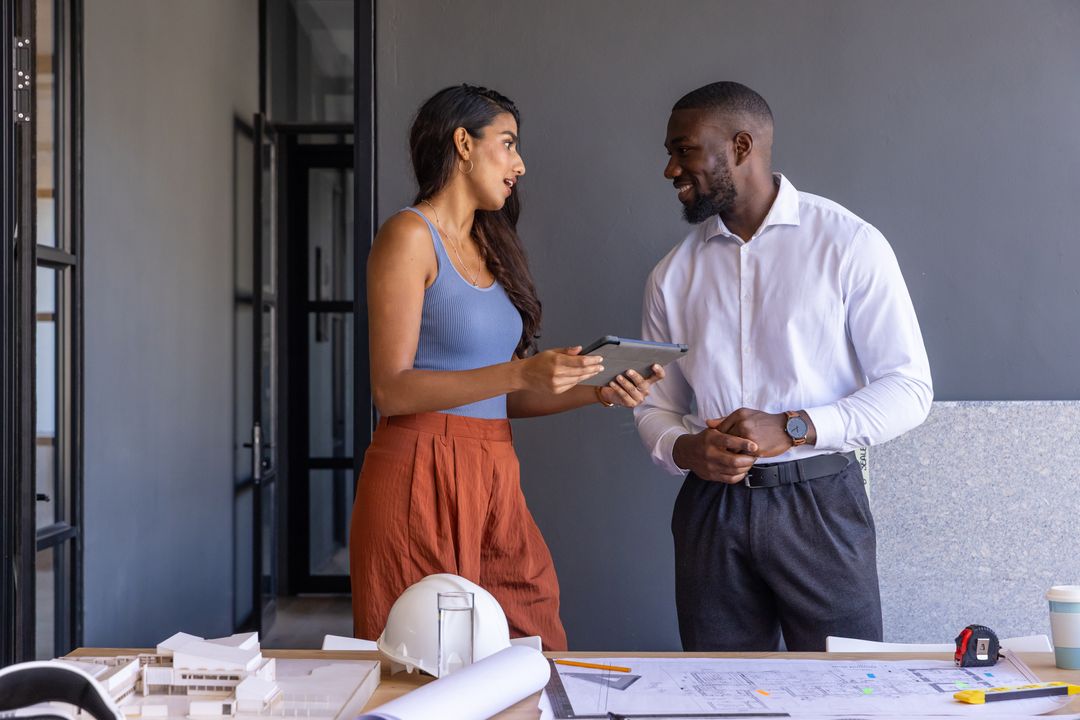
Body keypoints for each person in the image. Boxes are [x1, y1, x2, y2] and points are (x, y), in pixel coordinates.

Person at [350, 84, 664, 651]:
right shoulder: (409, 235)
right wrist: (520, 372)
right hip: (420, 468)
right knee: (419, 662)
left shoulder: (490, 246)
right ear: (463, 143)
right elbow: (391, 390)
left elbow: (500, 396)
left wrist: (597, 388)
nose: (519, 165)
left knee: (532, 640)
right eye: (508, 143)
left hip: (495, 465)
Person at [634, 81, 933, 652]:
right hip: (710, 509)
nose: (670, 169)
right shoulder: (671, 275)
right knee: (717, 690)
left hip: (819, 504)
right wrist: (685, 449)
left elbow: (910, 388)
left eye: (684, 150)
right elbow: (655, 407)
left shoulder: (848, 244)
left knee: (847, 687)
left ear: (741, 146)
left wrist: (795, 426)